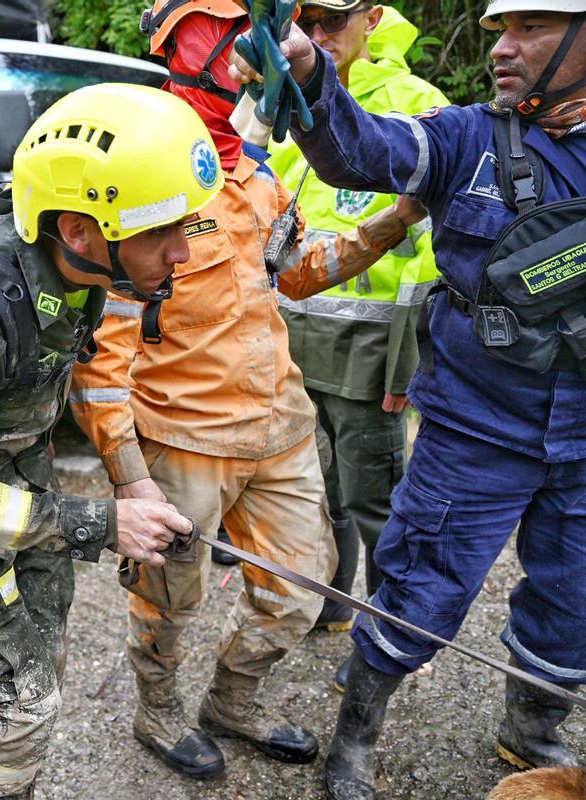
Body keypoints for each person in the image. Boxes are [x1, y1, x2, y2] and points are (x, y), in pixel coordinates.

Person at [229, 1, 586, 797]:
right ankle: (355, 732)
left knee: (573, 592)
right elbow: (365, 152)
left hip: (584, 438)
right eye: (499, 28)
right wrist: (312, 75)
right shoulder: (466, 137)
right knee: (424, 579)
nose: (503, 47)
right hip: (476, 424)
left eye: (528, 28)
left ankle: (533, 725)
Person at [69, 2, 425, 782]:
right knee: (169, 597)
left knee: (299, 589)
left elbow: (295, 272)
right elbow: (100, 364)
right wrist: (128, 481)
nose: (254, 57)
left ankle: (232, 699)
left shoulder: (256, 176)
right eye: (230, 41)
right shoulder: (138, 183)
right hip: (183, 439)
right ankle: (157, 709)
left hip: (281, 427)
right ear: (187, 48)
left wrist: (391, 226)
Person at [0, 83, 215, 800]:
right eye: (159, 231)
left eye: (186, 224)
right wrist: (103, 523)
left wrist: (123, 487)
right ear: (80, 230)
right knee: (21, 708)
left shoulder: (83, 266)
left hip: (11, 466)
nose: (183, 250)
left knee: (45, 642)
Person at [266, 1, 448, 643]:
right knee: (320, 493)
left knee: (378, 503)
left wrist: (408, 363)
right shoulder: (285, 102)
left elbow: (435, 255)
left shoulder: (417, 103)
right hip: (294, 347)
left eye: (332, 23)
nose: (318, 37)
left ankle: (389, 633)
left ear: (371, 18)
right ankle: (333, 606)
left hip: (371, 356)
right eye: (306, 23)